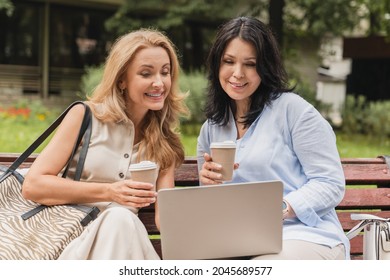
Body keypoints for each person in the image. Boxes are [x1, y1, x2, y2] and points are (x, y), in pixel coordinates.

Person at [22, 28, 188, 260]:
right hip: (75, 246)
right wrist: (110, 191)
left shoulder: (166, 142)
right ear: (122, 79)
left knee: (121, 220)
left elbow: (165, 220)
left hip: (123, 246)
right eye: (146, 74)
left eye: (165, 72)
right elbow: (33, 185)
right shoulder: (85, 116)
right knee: (119, 217)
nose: (159, 83)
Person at [197, 17, 350, 260]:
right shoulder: (211, 128)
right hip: (238, 241)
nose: (237, 74)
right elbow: (212, 207)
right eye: (229, 61)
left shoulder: (295, 112)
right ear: (217, 64)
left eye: (250, 64)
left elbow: (330, 183)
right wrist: (206, 185)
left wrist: (281, 208)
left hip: (304, 236)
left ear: (265, 67)